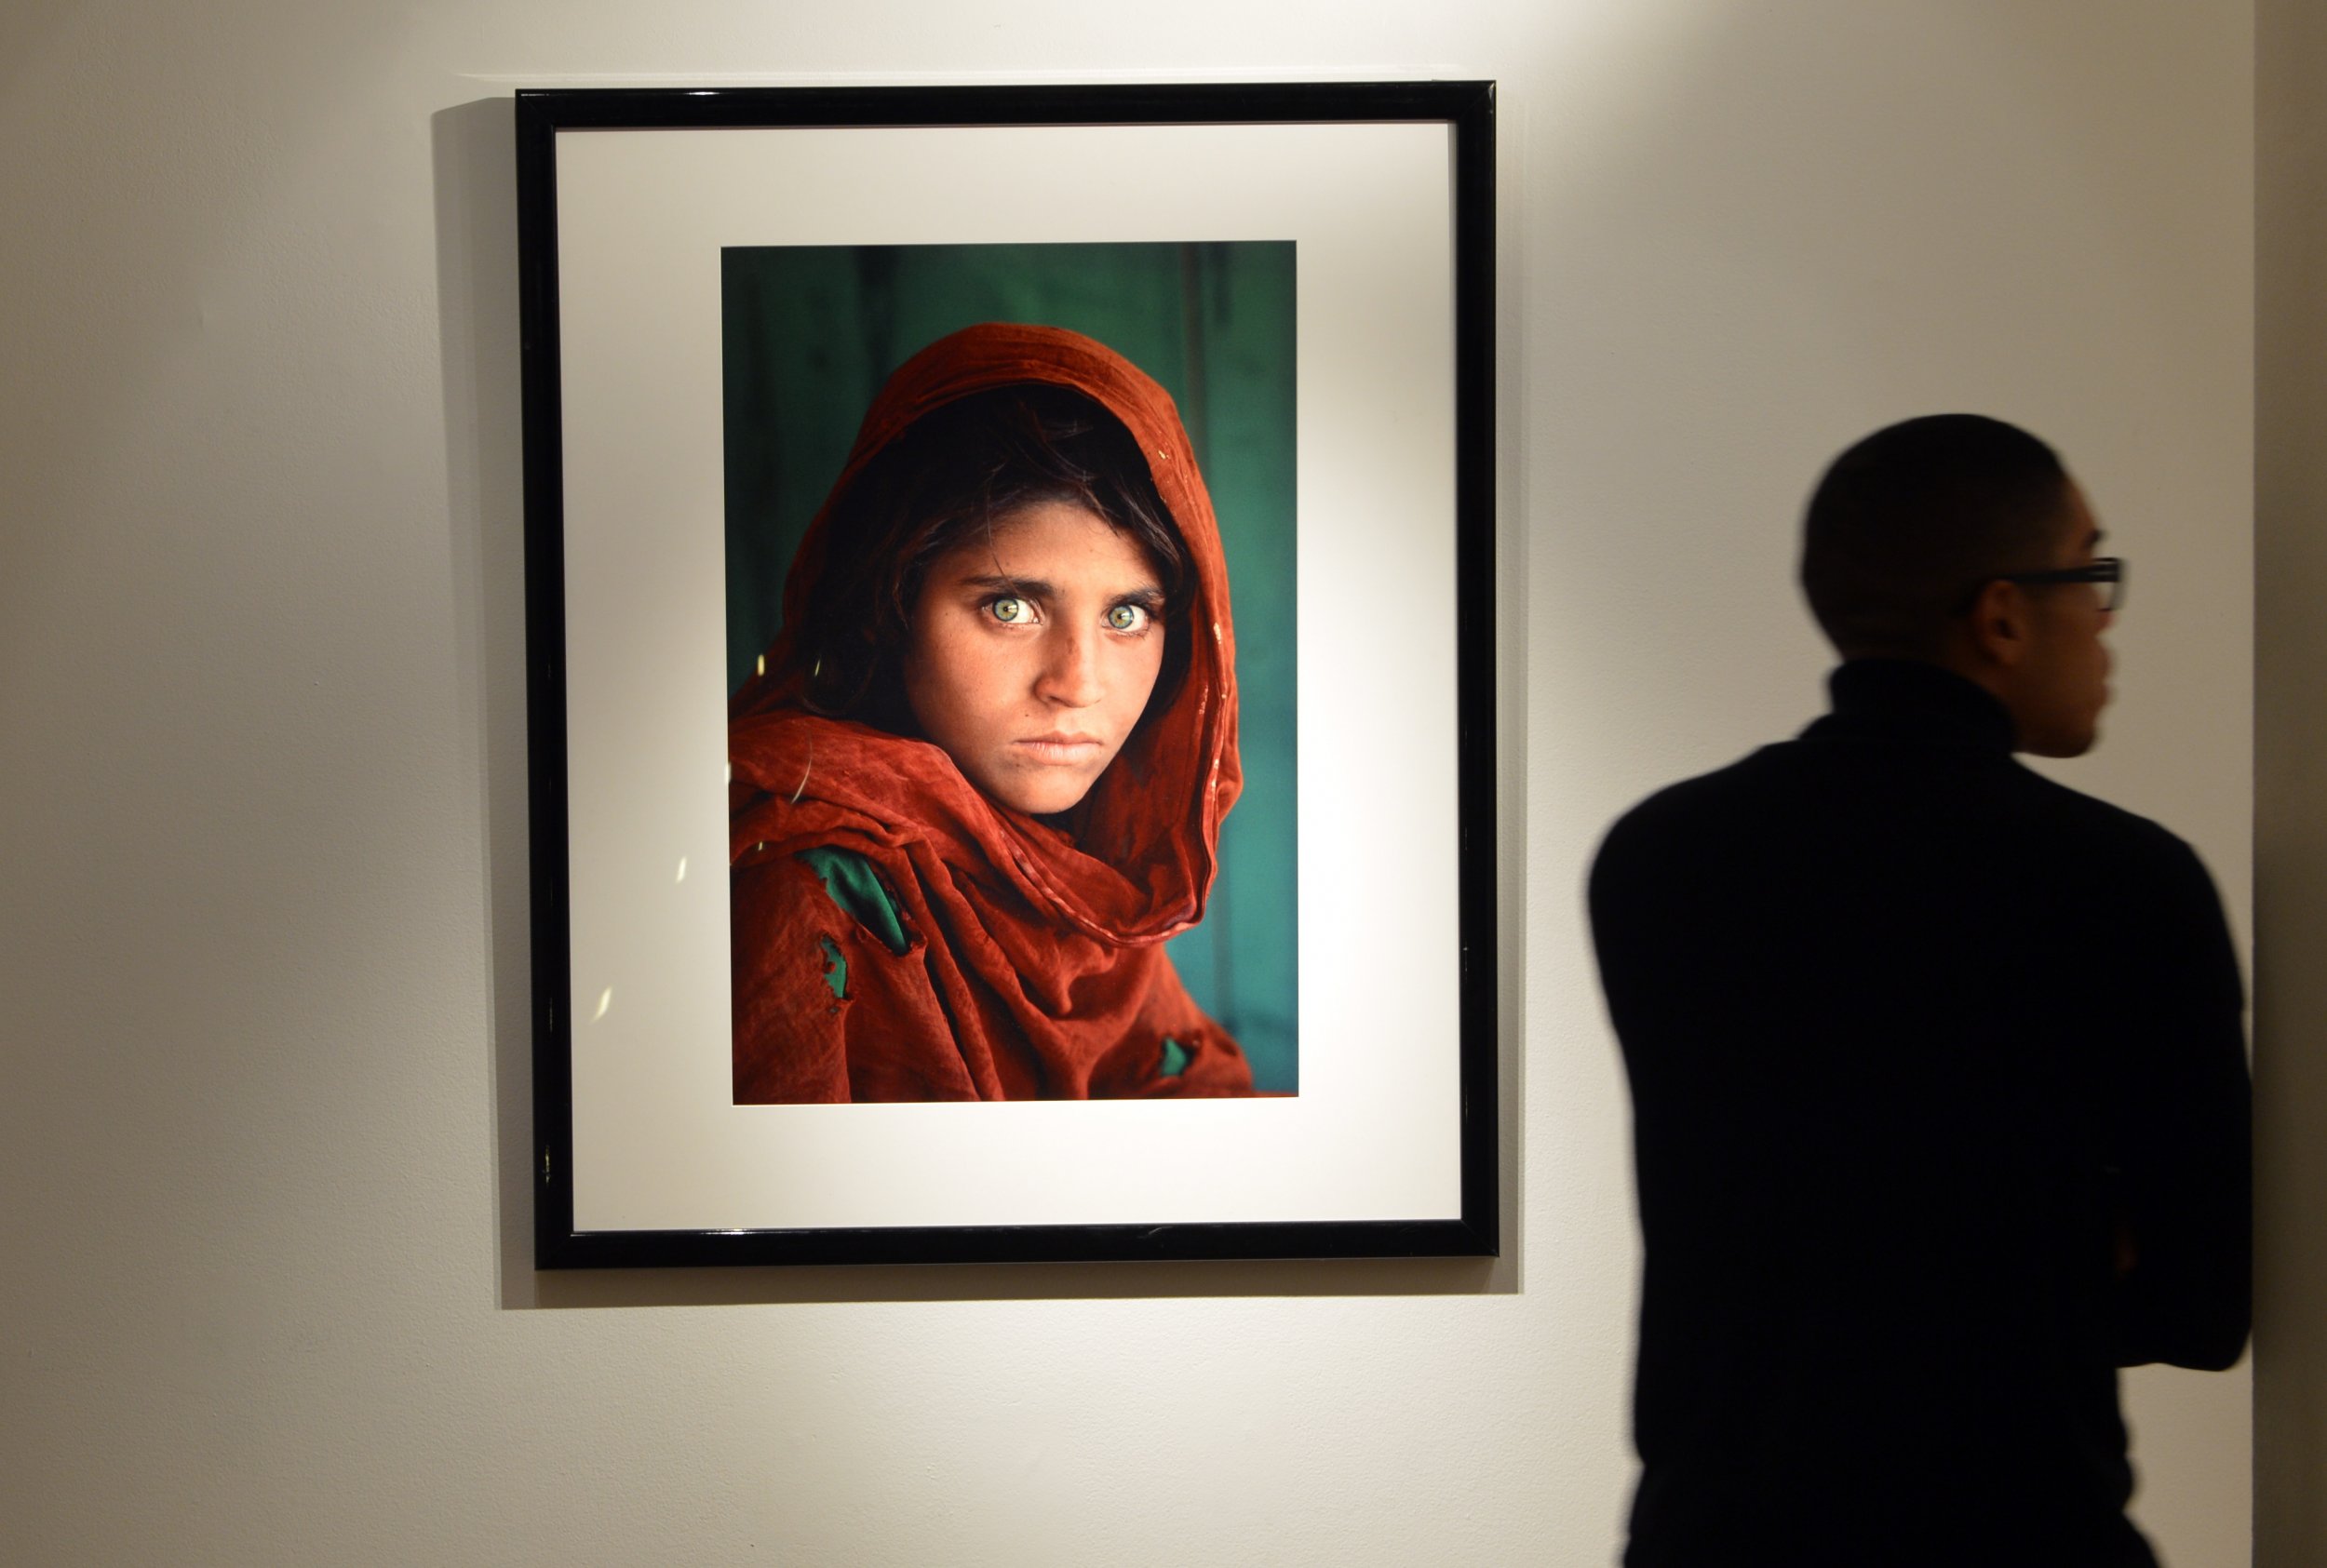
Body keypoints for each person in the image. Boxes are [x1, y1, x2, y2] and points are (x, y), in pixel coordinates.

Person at [1588, 415, 2252, 1566]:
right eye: (2091, 574)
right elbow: (2200, 1304)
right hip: (2023, 1527)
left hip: (1720, 1532)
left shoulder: (1659, 856)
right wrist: (2045, 1254)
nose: (2104, 620)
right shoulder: (2126, 882)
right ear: (1999, 615)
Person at [727, 322, 1255, 1103]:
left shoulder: (1087, 877)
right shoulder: (801, 884)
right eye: (1010, 606)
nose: (1077, 684)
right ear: (891, 605)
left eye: (1126, 616)